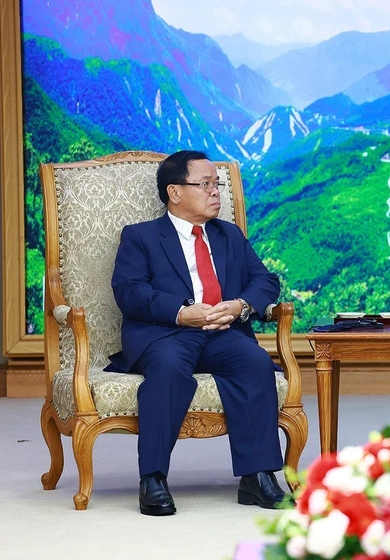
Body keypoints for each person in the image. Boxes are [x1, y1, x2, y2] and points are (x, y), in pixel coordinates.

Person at [108, 150, 286, 516]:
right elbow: (129, 291)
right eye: (205, 184)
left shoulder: (229, 235)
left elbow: (266, 280)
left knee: (255, 362)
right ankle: (153, 478)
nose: (215, 192)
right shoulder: (141, 237)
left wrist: (239, 306)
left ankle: (257, 476)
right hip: (167, 334)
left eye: (216, 184)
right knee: (169, 369)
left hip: (222, 333)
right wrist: (180, 313)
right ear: (175, 192)